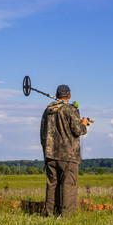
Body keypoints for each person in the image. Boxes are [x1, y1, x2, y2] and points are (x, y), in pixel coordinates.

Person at [40, 84, 88, 217]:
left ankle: (51, 215)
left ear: (56, 96)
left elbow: (42, 133)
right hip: (68, 155)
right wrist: (83, 123)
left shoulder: (47, 110)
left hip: (50, 154)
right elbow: (78, 130)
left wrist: (46, 151)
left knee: (52, 186)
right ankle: (68, 217)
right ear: (69, 96)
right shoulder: (70, 109)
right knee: (69, 186)